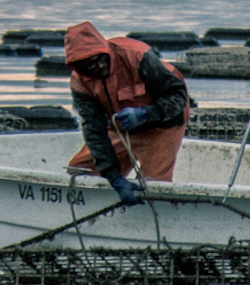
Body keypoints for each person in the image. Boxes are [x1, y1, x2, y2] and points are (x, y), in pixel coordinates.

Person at [64, 21, 192, 204]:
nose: (99, 66)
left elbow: (177, 95)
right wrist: (114, 178)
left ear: (105, 50)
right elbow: (94, 130)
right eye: (91, 65)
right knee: (80, 170)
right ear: (79, 68)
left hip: (163, 123)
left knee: (154, 185)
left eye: (101, 59)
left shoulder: (137, 56)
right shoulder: (80, 84)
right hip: (119, 128)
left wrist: (145, 114)